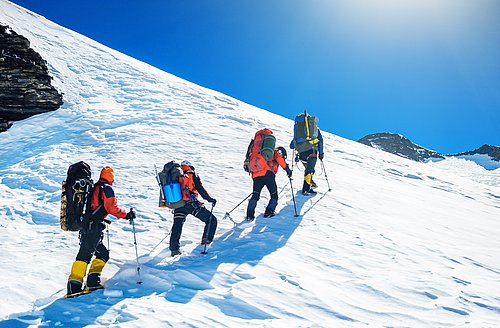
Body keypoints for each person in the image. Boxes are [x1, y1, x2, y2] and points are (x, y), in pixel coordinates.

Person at [66, 166, 136, 297]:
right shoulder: (106, 188)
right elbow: (112, 208)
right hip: (93, 228)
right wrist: (127, 215)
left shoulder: (95, 188)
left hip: (89, 227)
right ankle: (74, 286)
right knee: (84, 255)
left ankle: (93, 281)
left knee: (103, 254)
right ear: (111, 177)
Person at [169, 160, 217, 257]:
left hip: (177, 205)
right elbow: (199, 188)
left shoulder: (174, 174)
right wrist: (209, 199)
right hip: (190, 204)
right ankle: (205, 242)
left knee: (177, 226)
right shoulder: (191, 173)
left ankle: (174, 250)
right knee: (211, 219)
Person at [244, 129, 292, 221]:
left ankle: (249, 215)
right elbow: (280, 160)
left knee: (255, 195)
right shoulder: (273, 152)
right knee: (274, 195)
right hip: (268, 174)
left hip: (255, 175)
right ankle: (268, 212)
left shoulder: (255, 150)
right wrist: (287, 170)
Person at [290, 112, 324, 195]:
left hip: (301, 153)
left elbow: (291, 145)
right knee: (309, 169)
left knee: (309, 169)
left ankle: (310, 182)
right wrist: (321, 153)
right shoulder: (314, 129)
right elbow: (320, 140)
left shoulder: (298, 130)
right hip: (311, 151)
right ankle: (306, 189)